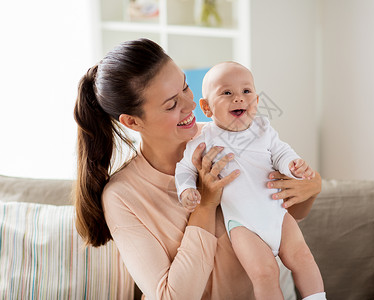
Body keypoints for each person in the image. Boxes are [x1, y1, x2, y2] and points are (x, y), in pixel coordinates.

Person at [73, 38, 323, 300]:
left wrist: (312, 187)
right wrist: (205, 206)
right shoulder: (123, 196)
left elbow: (285, 212)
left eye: (185, 88)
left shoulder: (229, 133)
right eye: (171, 104)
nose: (191, 106)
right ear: (132, 121)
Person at [175, 62, 325, 300]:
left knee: (304, 258)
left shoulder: (263, 127)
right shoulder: (204, 140)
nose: (239, 99)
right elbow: (183, 168)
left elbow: (281, 152)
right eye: (227, 93)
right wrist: (186, 189)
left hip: (277, 213)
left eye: (247, 91)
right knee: (264, 273)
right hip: (242, 225)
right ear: (207, 108)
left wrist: (293, 165)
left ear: (256, 99)